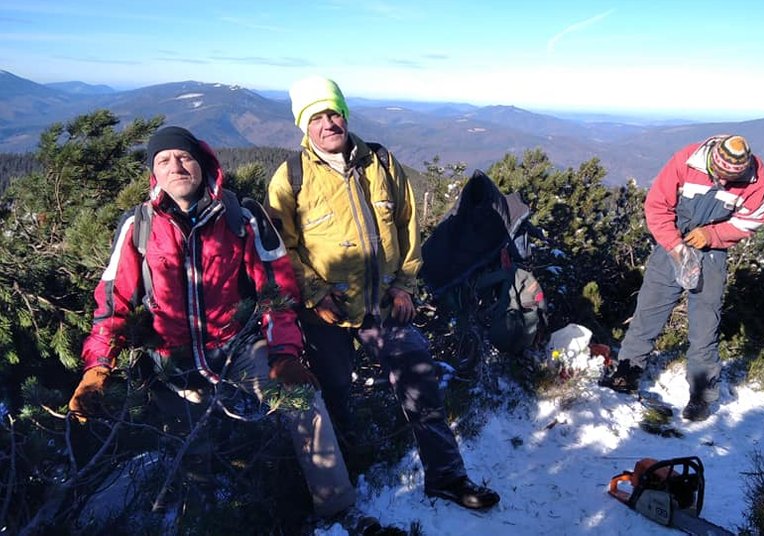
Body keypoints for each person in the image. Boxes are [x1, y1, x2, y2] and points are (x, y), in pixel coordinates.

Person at [67, 126, 373, 530]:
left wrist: (283, 353)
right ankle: (207, 519)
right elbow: (113, 302)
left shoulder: (240, 216)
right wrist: (97, 367)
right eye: (163, 160)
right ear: (153, 175)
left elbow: (276, 288)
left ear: (202, 163)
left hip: (238, 346)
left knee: (301, 398)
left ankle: (337, 507)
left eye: (184, 157)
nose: (175, 166)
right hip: (171, 360)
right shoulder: (138, 226)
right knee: (192, 456)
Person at [266, 75, 500, 510]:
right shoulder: (290, 178)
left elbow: (409, 228)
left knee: (419, 379)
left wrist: (404, 285)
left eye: (333, 112)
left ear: (345, 113)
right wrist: (315, 292)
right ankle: (352, 466)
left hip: (384, 304)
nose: (328, 123)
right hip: (327, 312)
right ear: (304, 126)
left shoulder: (381, 163)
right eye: (316, 117)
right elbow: (282, 248)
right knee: (334, 392)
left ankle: (447, 477)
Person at [601, 134, 764, 422]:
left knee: (705, 325)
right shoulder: (687, 160)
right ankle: (626, 373)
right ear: (713, 161)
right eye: (720, 175)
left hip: (712, 252)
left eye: (732, 178)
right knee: (649, 313)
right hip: (672, 245)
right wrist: (674, 245)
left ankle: (701, 397)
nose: (725, 182)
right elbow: (656, 206)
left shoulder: (755, 175)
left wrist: (713, 235)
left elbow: (753, 219)